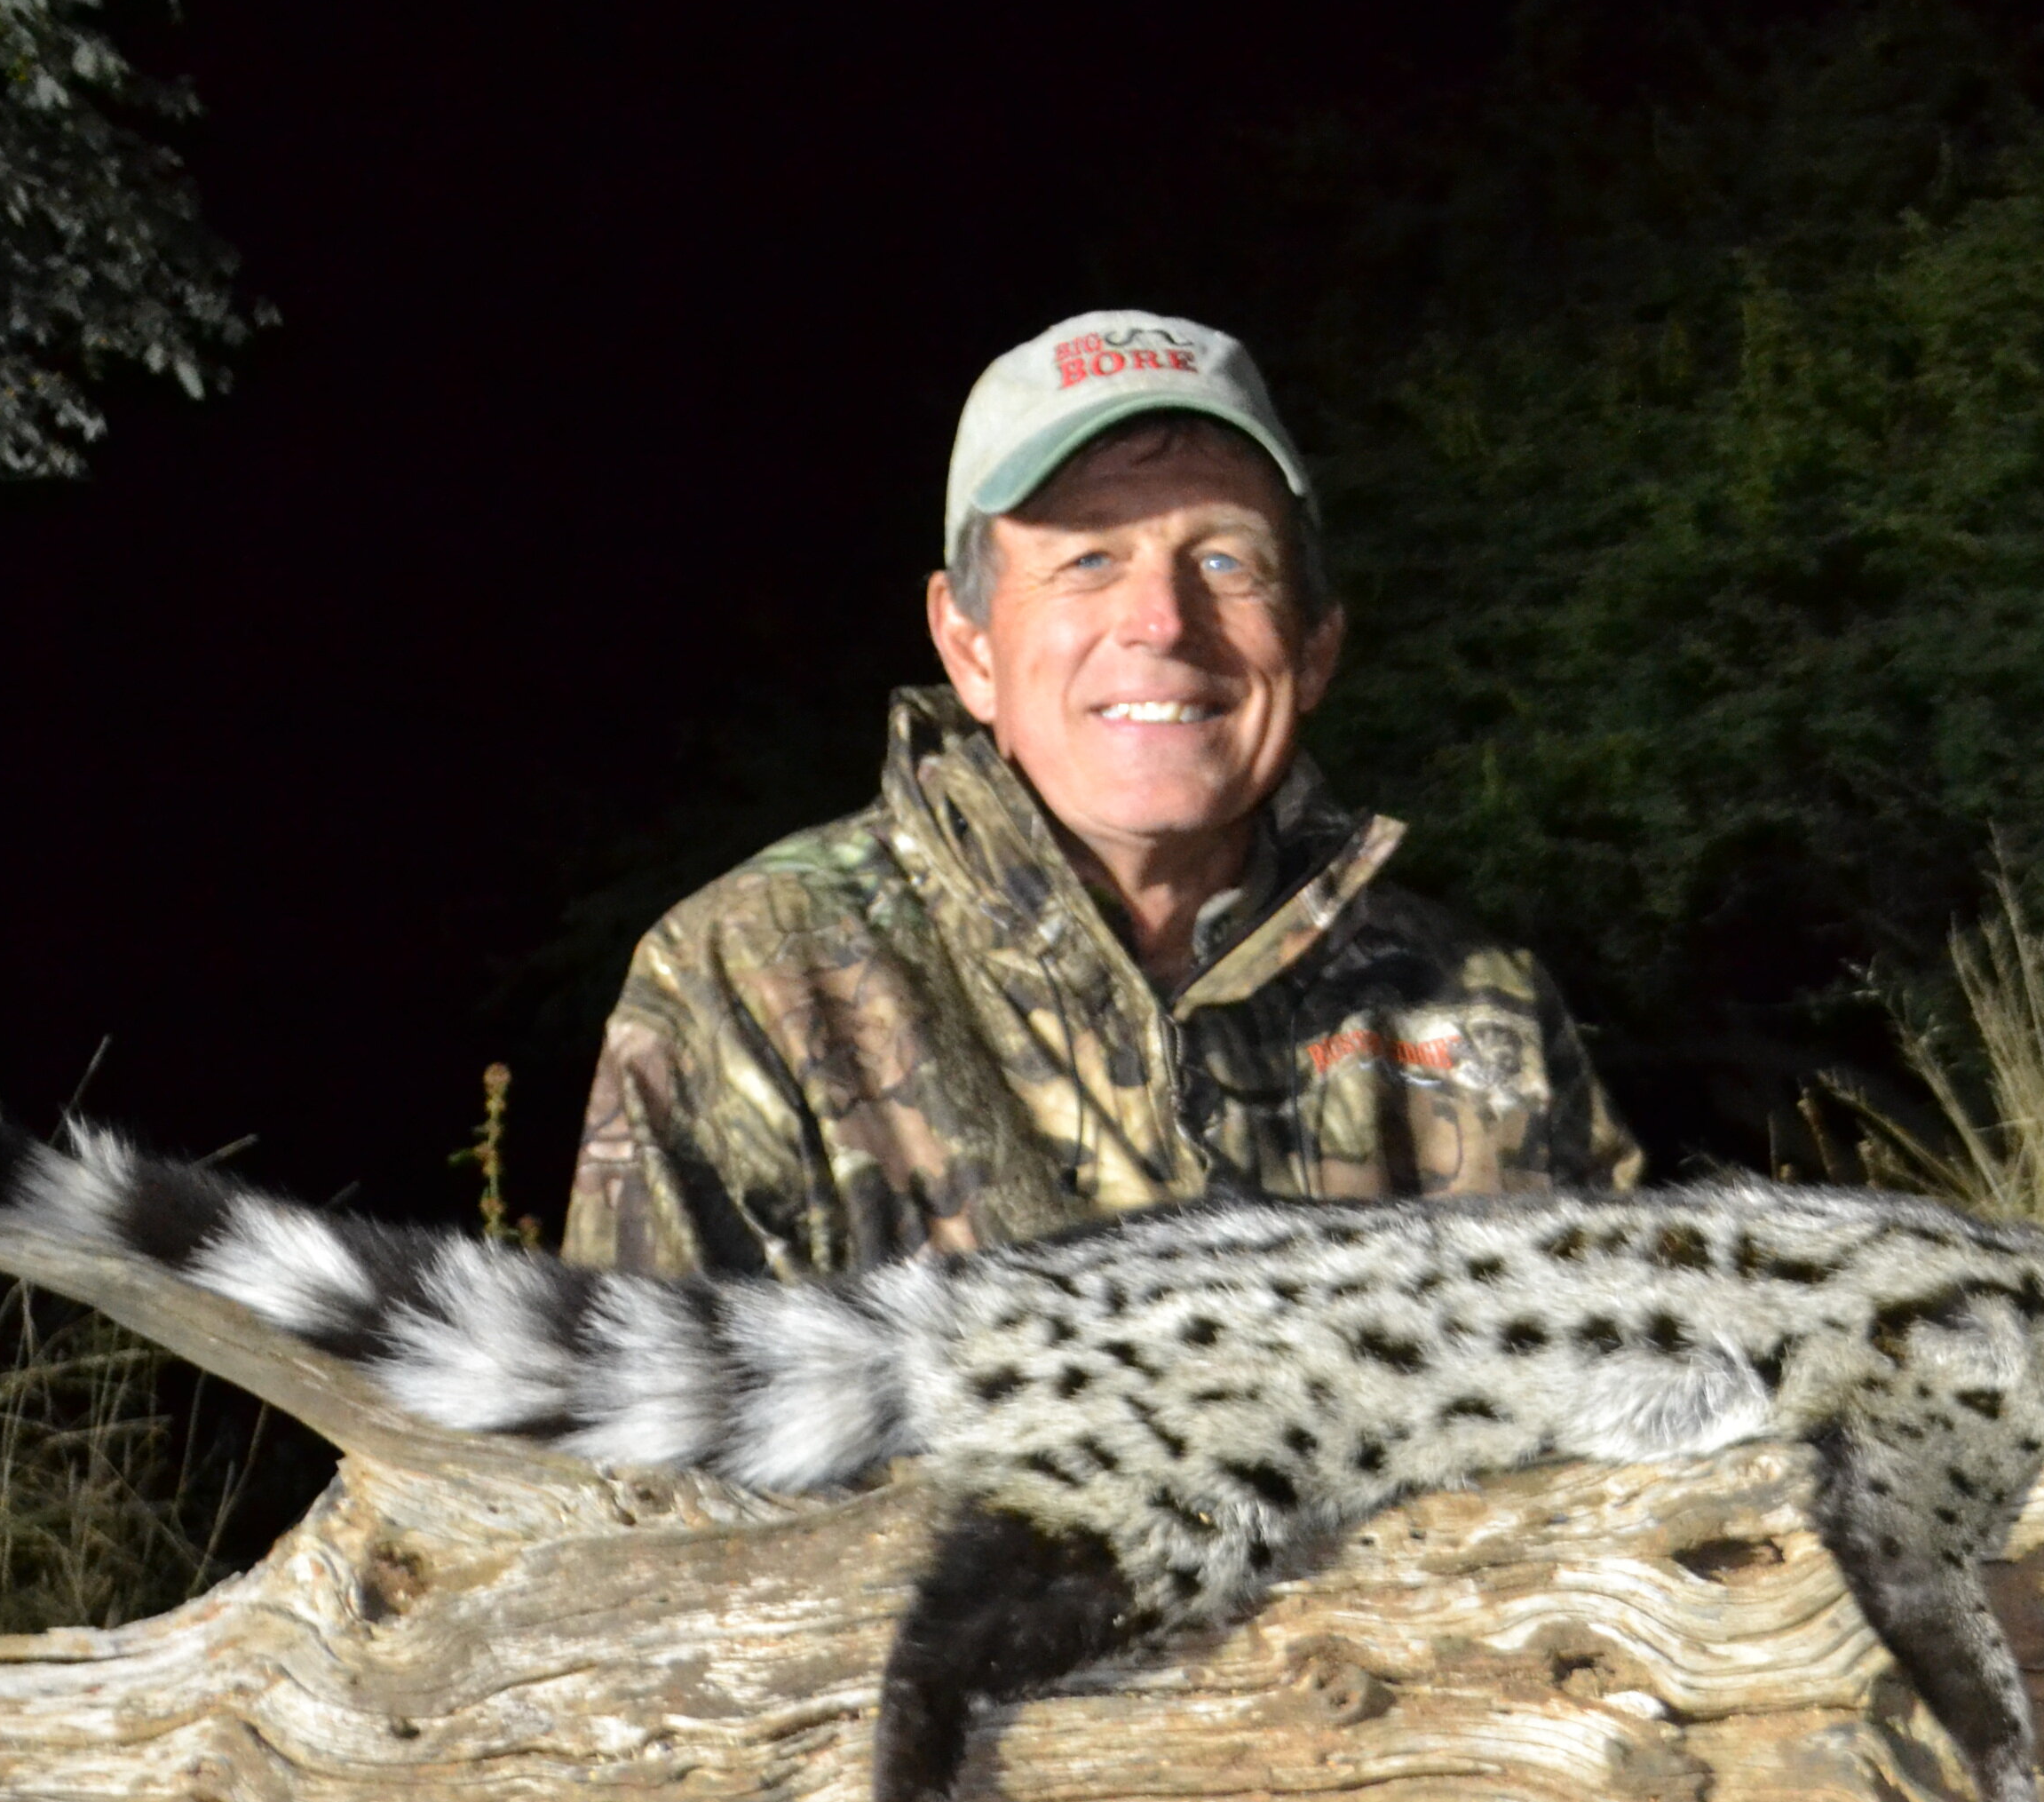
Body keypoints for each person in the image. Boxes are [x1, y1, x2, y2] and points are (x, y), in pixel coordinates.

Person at [562, 310, 1641, 1277]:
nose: (1162, 622)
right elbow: (633, 1482)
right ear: (969, 646)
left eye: (1225, 562)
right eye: (1086, 560)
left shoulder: (1479, 1002)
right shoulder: (747, 976)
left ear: (1314, 649)